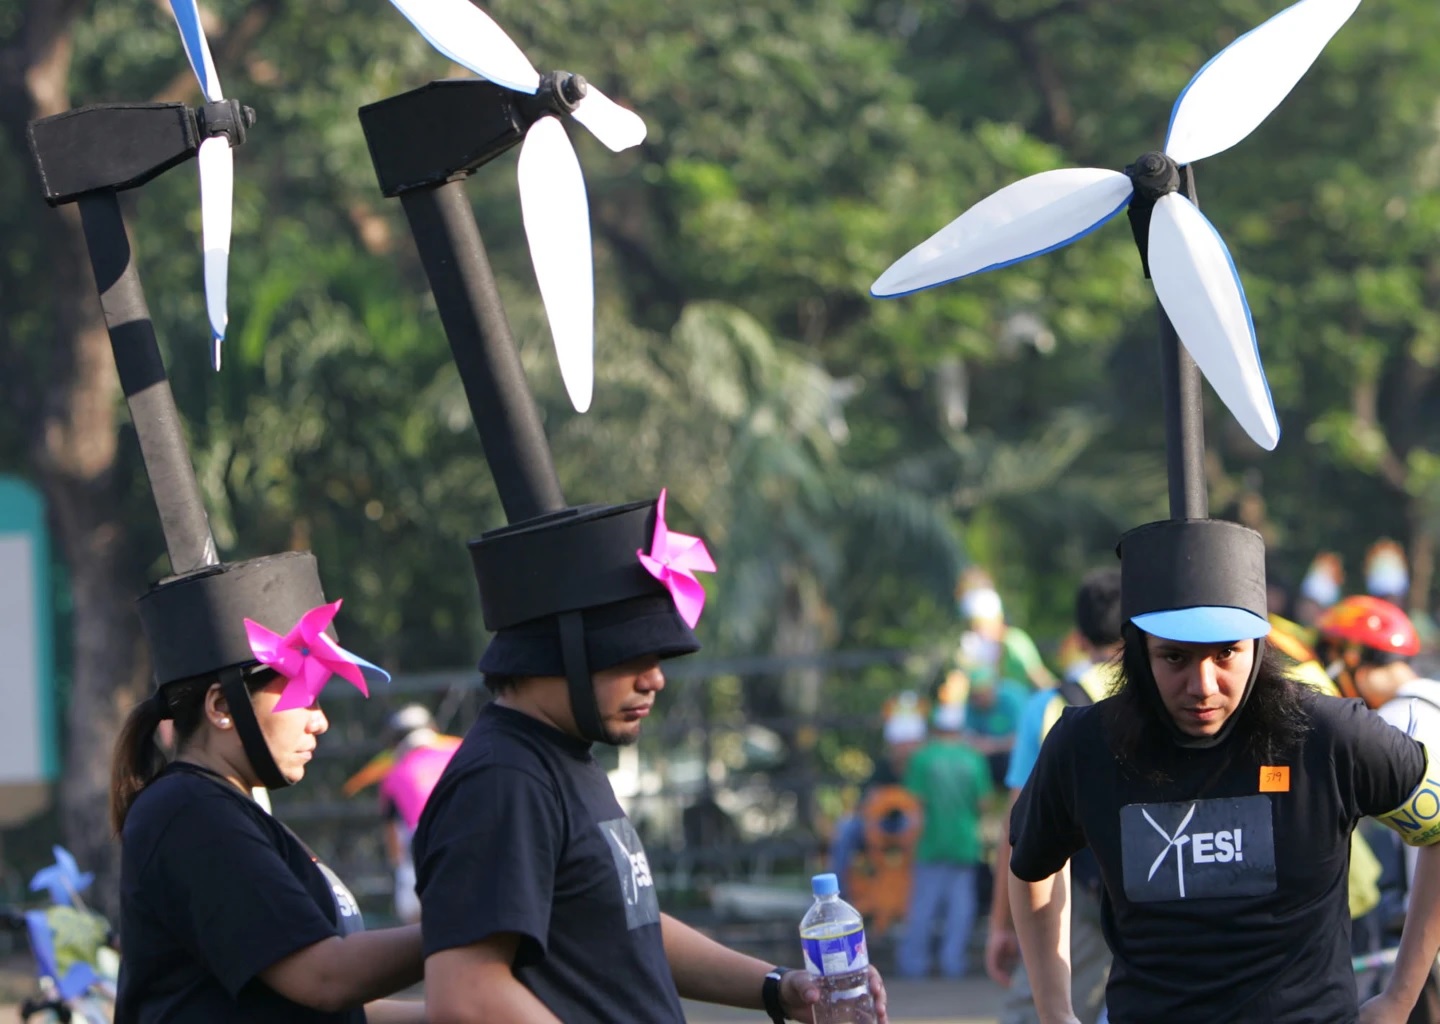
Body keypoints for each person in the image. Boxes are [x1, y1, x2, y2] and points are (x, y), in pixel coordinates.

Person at [413, 493, 889, 1024]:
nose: (655, 678)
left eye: (657, 656)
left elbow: (628, 926)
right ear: (551, 652)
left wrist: (777, 988)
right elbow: (467, 995)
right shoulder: (505, 781)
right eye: (629, 655)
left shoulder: (563, 758)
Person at [1009, 519, 1440, 1024]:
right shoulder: (1086, 746)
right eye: (1175, 657)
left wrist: (1399, 999)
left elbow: (1437, 829)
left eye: (1226, 653)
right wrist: (1055, 1011)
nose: (1203, 685)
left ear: (1258, 646)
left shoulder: (1328, 735)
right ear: (1139, 653)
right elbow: (1032, 860)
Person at [110, 553, 426, 1024]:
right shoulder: (190, 813)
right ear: (222, 707)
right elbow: (325, 978)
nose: (320, 722)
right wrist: (479, 922)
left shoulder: (227, 810)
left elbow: (336, 1006)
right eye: (305, 696)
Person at [987, 568, 1121, 1024]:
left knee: (1042, 1010)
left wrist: (1002, 924)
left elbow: (1019, 828)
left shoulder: (1049, 706)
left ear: (1078, 638)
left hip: (1081, 893)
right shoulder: (1164, 696)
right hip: (1160, 883)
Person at [895, 702, 993, 979]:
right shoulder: (973, 758)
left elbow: (912, 805)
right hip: (964, 843)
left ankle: (914, 965)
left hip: (928, 844)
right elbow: (984, 803)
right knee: (960, 909)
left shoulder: (922, 758)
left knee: (923, 908)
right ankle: (954, 963)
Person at [343, 704, 462, 924]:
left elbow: (394, 839)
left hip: (423, 850)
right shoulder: (460, 752)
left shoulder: (394, 774)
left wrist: (399, 868)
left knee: (416, 920)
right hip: (474, 839)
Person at [957, 569, 1056, 690]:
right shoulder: (974, 649)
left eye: (981, 624)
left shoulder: (1014, 641)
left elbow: (1043, 682)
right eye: (974, 626)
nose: (979, 632)